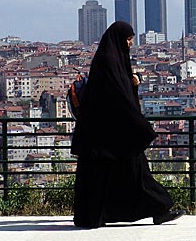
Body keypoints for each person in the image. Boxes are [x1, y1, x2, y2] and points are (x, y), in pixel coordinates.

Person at [71, 21, 184, 228]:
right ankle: (160, 209)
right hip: (112, 134)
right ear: (119, 39)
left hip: (108, 135)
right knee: (136, 172)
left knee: (109, 177)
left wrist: (134, 83)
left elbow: (122, 92)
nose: (131, 43)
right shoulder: (108, 61)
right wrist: (139, 124)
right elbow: (118, 96)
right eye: (129, 39)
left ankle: (97, 215)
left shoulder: (111, 59)